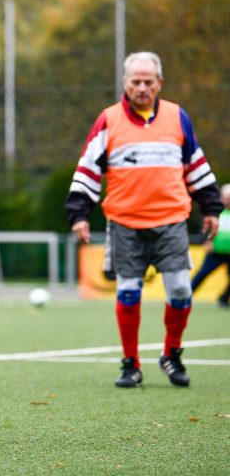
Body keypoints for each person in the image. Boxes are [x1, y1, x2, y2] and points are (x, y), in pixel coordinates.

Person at [66, 51, 223, 389]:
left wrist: (211, 208)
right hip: (125, 223)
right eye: (135, 81)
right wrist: (79, 214)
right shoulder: (108, 120)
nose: (141, 87)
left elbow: (196, 166)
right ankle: (130, 364)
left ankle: (171, 353)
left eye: (147, 81)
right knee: (128, 290)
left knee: (181, 288)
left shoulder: (177, 117)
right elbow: (88, 170)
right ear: (125, 83)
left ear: (159, 84)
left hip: (171, 221)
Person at [191, 183, 230, 308]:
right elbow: (206, 228)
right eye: (226, 197)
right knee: (202, 274)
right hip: (215, 252)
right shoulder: (215, 212)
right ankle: (185, 296)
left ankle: (224, 298)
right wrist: (206, 242)